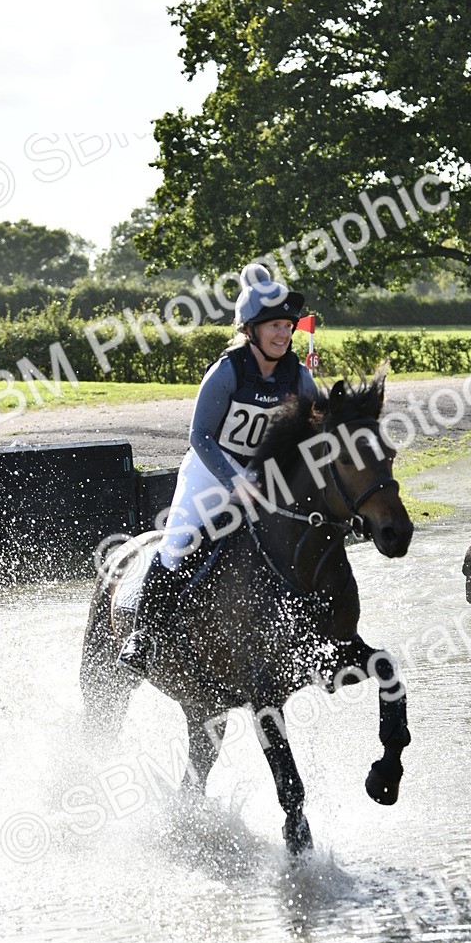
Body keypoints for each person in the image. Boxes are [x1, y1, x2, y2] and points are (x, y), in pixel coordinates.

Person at [118, 262, 319, 676]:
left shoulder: (298, 376)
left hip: (264, 477)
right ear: (251, 330)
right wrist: (235, 480)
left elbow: (312, 437)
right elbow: (200, 436)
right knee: (177, 544)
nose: (283, 333)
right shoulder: (227, 372)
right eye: (274, 326)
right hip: (212, 469)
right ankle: (143, 634)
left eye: (287, 325)